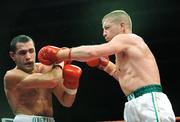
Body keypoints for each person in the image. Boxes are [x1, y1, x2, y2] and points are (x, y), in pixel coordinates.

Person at [37, 10, 176, 121]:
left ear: (122, 26)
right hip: (133, 102)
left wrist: (62, 54)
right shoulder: (123, 50)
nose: (104, 33)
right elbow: (123, 76)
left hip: (149, 100)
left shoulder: (128, 38)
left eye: (107, 28)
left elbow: (93, 52)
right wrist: (104, 64)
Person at [3, 35, 82, 122]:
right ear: (12, 56)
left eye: (31, 51)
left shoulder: (46, 69)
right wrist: (61, 61)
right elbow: (52, 80)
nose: (28, 57)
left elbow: (66, 102)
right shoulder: (11, 76)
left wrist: (72, 86)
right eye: (22, 53)